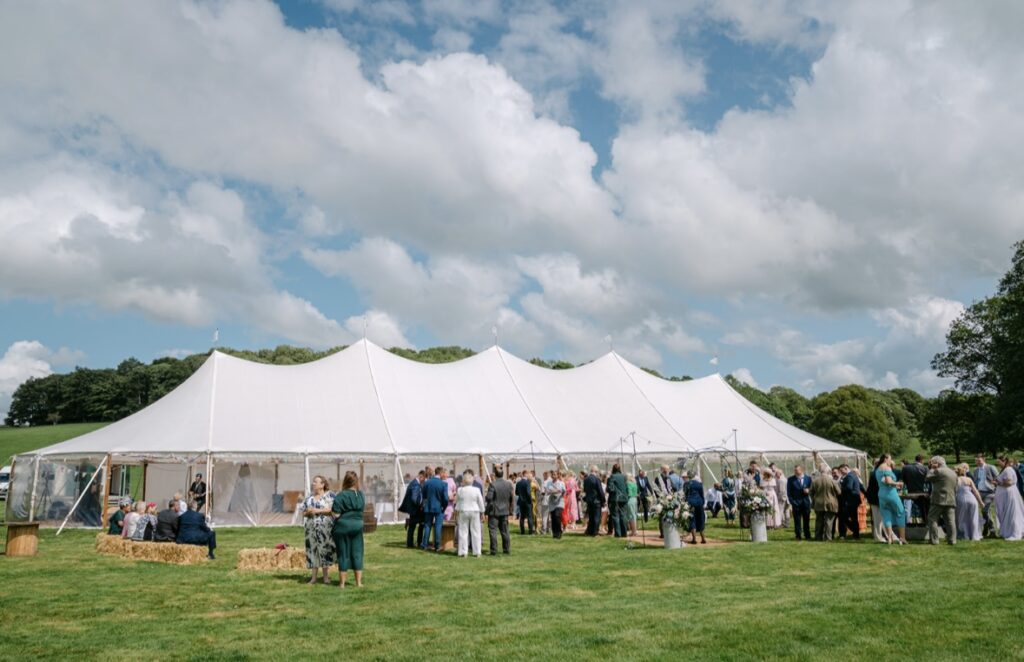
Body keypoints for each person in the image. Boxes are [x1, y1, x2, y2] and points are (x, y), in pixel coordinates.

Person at [332, 472, 365, 588]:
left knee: (343, 554)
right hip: (358, 526)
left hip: (343, 526)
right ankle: (359, 583)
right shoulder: (360, 495)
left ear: (345, 481)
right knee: (357, 553)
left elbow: (336, 514)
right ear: (356, 482)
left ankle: (342, 584)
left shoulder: (341, 495)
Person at [300, 475, 336, 584]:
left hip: (325, 530)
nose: (313, 483)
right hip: (311, 530)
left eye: (316, 482)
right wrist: (308, 512)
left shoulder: (330, 496)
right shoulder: (309, 499)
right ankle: (314, 578)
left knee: (324, 550)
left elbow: (333, 510)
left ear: (322, 485)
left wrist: (317, 510)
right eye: (313, 482)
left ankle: (325, 577)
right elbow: (303, 513)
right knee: (312, 551)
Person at [925, 456, 958, 545]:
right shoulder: (953, 472)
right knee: (950, 521)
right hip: (951, 499)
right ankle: (952, 540)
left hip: (938, 499)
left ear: (937, 463)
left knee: (932, 519)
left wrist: (932, 468)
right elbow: (956, 487)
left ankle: (934, 540)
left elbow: (927, 477)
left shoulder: (938, 471)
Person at [874, 455, 906, 545]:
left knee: (886, 515)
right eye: (890, 459)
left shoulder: (877, 469)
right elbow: (888, 481)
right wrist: (898, 483)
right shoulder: (887, 468)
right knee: (901, 513)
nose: (891, 461)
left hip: (881, 494)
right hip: (891, 494)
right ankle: (902, 538)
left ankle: (889, 539)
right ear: (885, 459)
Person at [455, 470, 485, 558]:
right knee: (476, 532)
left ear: (464, 480)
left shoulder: (460, 490)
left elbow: (457, 502)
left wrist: (456, 511)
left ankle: (463, 552)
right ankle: (477, 551)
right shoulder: (477, 490)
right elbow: (481, 502)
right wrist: (482, 512)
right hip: (475, 511)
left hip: (463, 511)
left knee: (463, 532)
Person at [993, 456, 1024, 540]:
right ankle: (1007, 530)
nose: (998, 464)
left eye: (999, 462)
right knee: (1007, 513)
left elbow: (1009, 483)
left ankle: (1013, 531)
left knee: (1010, 513)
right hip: (1005, 495)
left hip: (1008, 495)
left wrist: (997, 483)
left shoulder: (1008, 470)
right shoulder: (1005, 469)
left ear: (1004, 461)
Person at [486, 466, 514, 555]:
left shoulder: (493, 484)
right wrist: (511, 510)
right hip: (505, 511)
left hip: (494, 511)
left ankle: (494, 550)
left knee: (493, 531)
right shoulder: (508, 484)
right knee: (505, 531)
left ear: (495, 475)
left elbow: (489, 498)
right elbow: (511, 498)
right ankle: (506, 549)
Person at [421, 467, 448, 552]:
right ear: (440, 473)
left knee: (427, 526)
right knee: (438, 527)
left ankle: (424, 545)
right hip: (439, 508)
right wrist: (444, 507)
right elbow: (446, 499)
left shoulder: (427, 482)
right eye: (443, 473)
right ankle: (437, 546)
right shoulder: (443, 484)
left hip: (428, 507)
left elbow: (424, 495)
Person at [954, 463, 984, 542]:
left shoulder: (956, 480)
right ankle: (974, 535)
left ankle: (964, 535)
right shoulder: (969, 479)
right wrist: (981, 502)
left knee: (961, 518)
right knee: (973, 517)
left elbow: (954, 491)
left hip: (960, 499)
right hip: (972, 499)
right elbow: (975, 491)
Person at [810, 466, 840, 542]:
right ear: (828, 472)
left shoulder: (815, 481)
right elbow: (839, 492)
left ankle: (818, 537)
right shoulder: (832, 481)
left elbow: (811, 492)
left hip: (818, 503)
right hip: (831, 503)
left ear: (820, 472)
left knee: (819, 521)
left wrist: (814, 500)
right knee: (829, 521)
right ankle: (827, 538)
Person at [972, 455, 999, 537]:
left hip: (989, 492)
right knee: (984, 512)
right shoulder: (976, 470)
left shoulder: (990, 467)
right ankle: (987, 529)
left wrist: (993, 483)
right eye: (976, 460)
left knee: (985, 511)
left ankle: (991, 530)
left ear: (984, 459)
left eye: (979, 460)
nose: (977, 462)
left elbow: (998, 478)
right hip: (979, 493)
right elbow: (975, 481)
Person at [398, 471, 425, 548]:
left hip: (413, 509)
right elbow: (414, 498)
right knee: (417, 526)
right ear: (421, 476)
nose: (423, 481)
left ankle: (410, 543)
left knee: (412, 526)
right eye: (423, 479)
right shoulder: (416, 484)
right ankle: (416, 543)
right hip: (415, 510)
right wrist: (420, 504)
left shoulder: (413, 483)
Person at [787, 466, 812, 540]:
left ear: (801, 470)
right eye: (794, 470)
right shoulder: (791, 479)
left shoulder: (808, 478)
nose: (795, 472)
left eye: (797, 470)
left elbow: (812, 488)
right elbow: (789, 492)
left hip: (806, 503)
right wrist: (793, 502)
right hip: (796, 503)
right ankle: (798, 535)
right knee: (797, 521)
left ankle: (807, 535)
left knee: (806, 520)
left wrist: (809, 490)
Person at [838, 464, 863, 540]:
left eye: (842, 471)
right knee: (853, 518)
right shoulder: (854, 475)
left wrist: (841, 488)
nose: (841, 472)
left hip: (851, 500)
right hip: (854, 500)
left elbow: (849, 488)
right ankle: (856, 534)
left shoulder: (849, 476)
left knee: (844, 517)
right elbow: (860, 486)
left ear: (846, 468)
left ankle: (855, 531)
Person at [583, 465, 605, 537]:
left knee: (591, 516)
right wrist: (603, 500)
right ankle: (595, 532)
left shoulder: (586, 479)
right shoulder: (597, 479)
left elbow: (585, 490)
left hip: (589, 500)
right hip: (596, 500)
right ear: (596, 471)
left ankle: (590, 531)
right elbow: (600, 491)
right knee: (596, 517)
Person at [606, 464, 628, 538]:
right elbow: (626, 487)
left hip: (615, 498)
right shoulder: (624, 476)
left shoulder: (612, 476)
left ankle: (618, 534)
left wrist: (610, 490)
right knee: (623, 515)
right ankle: (624, 533)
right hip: (624, 498)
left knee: (615, 516)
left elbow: (610, 488)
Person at [685, 472, 706, 544]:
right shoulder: (699, 484)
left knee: (692, 519)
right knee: (700, 519)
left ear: (688, 476)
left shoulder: (686, 484)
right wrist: (703, 502)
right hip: (699, 502)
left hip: (690, 503)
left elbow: (685, 494)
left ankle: (694, 539)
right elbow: (702, 494)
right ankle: (703, 538)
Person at [547, 471, 566, 539]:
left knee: (557, 515)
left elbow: (563, 491)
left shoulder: (561, 483)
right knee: (553, 518)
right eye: (552, 474)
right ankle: (554, 533)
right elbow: (548, 491)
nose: (553, 476)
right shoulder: (549, 483)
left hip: (559, 502)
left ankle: (559, 532)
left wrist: (557, 491)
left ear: (557, 475)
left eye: (555, 474)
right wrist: (556, 491)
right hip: (552, 502)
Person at [538, 471, 552, 536]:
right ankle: (549, 529)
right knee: (550, 516)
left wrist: (540, 496)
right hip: (551, 501)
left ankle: (544, 529)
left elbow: (542, 492)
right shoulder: (552, 481)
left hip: (545, 500)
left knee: (545, 516)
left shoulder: (545, 482)